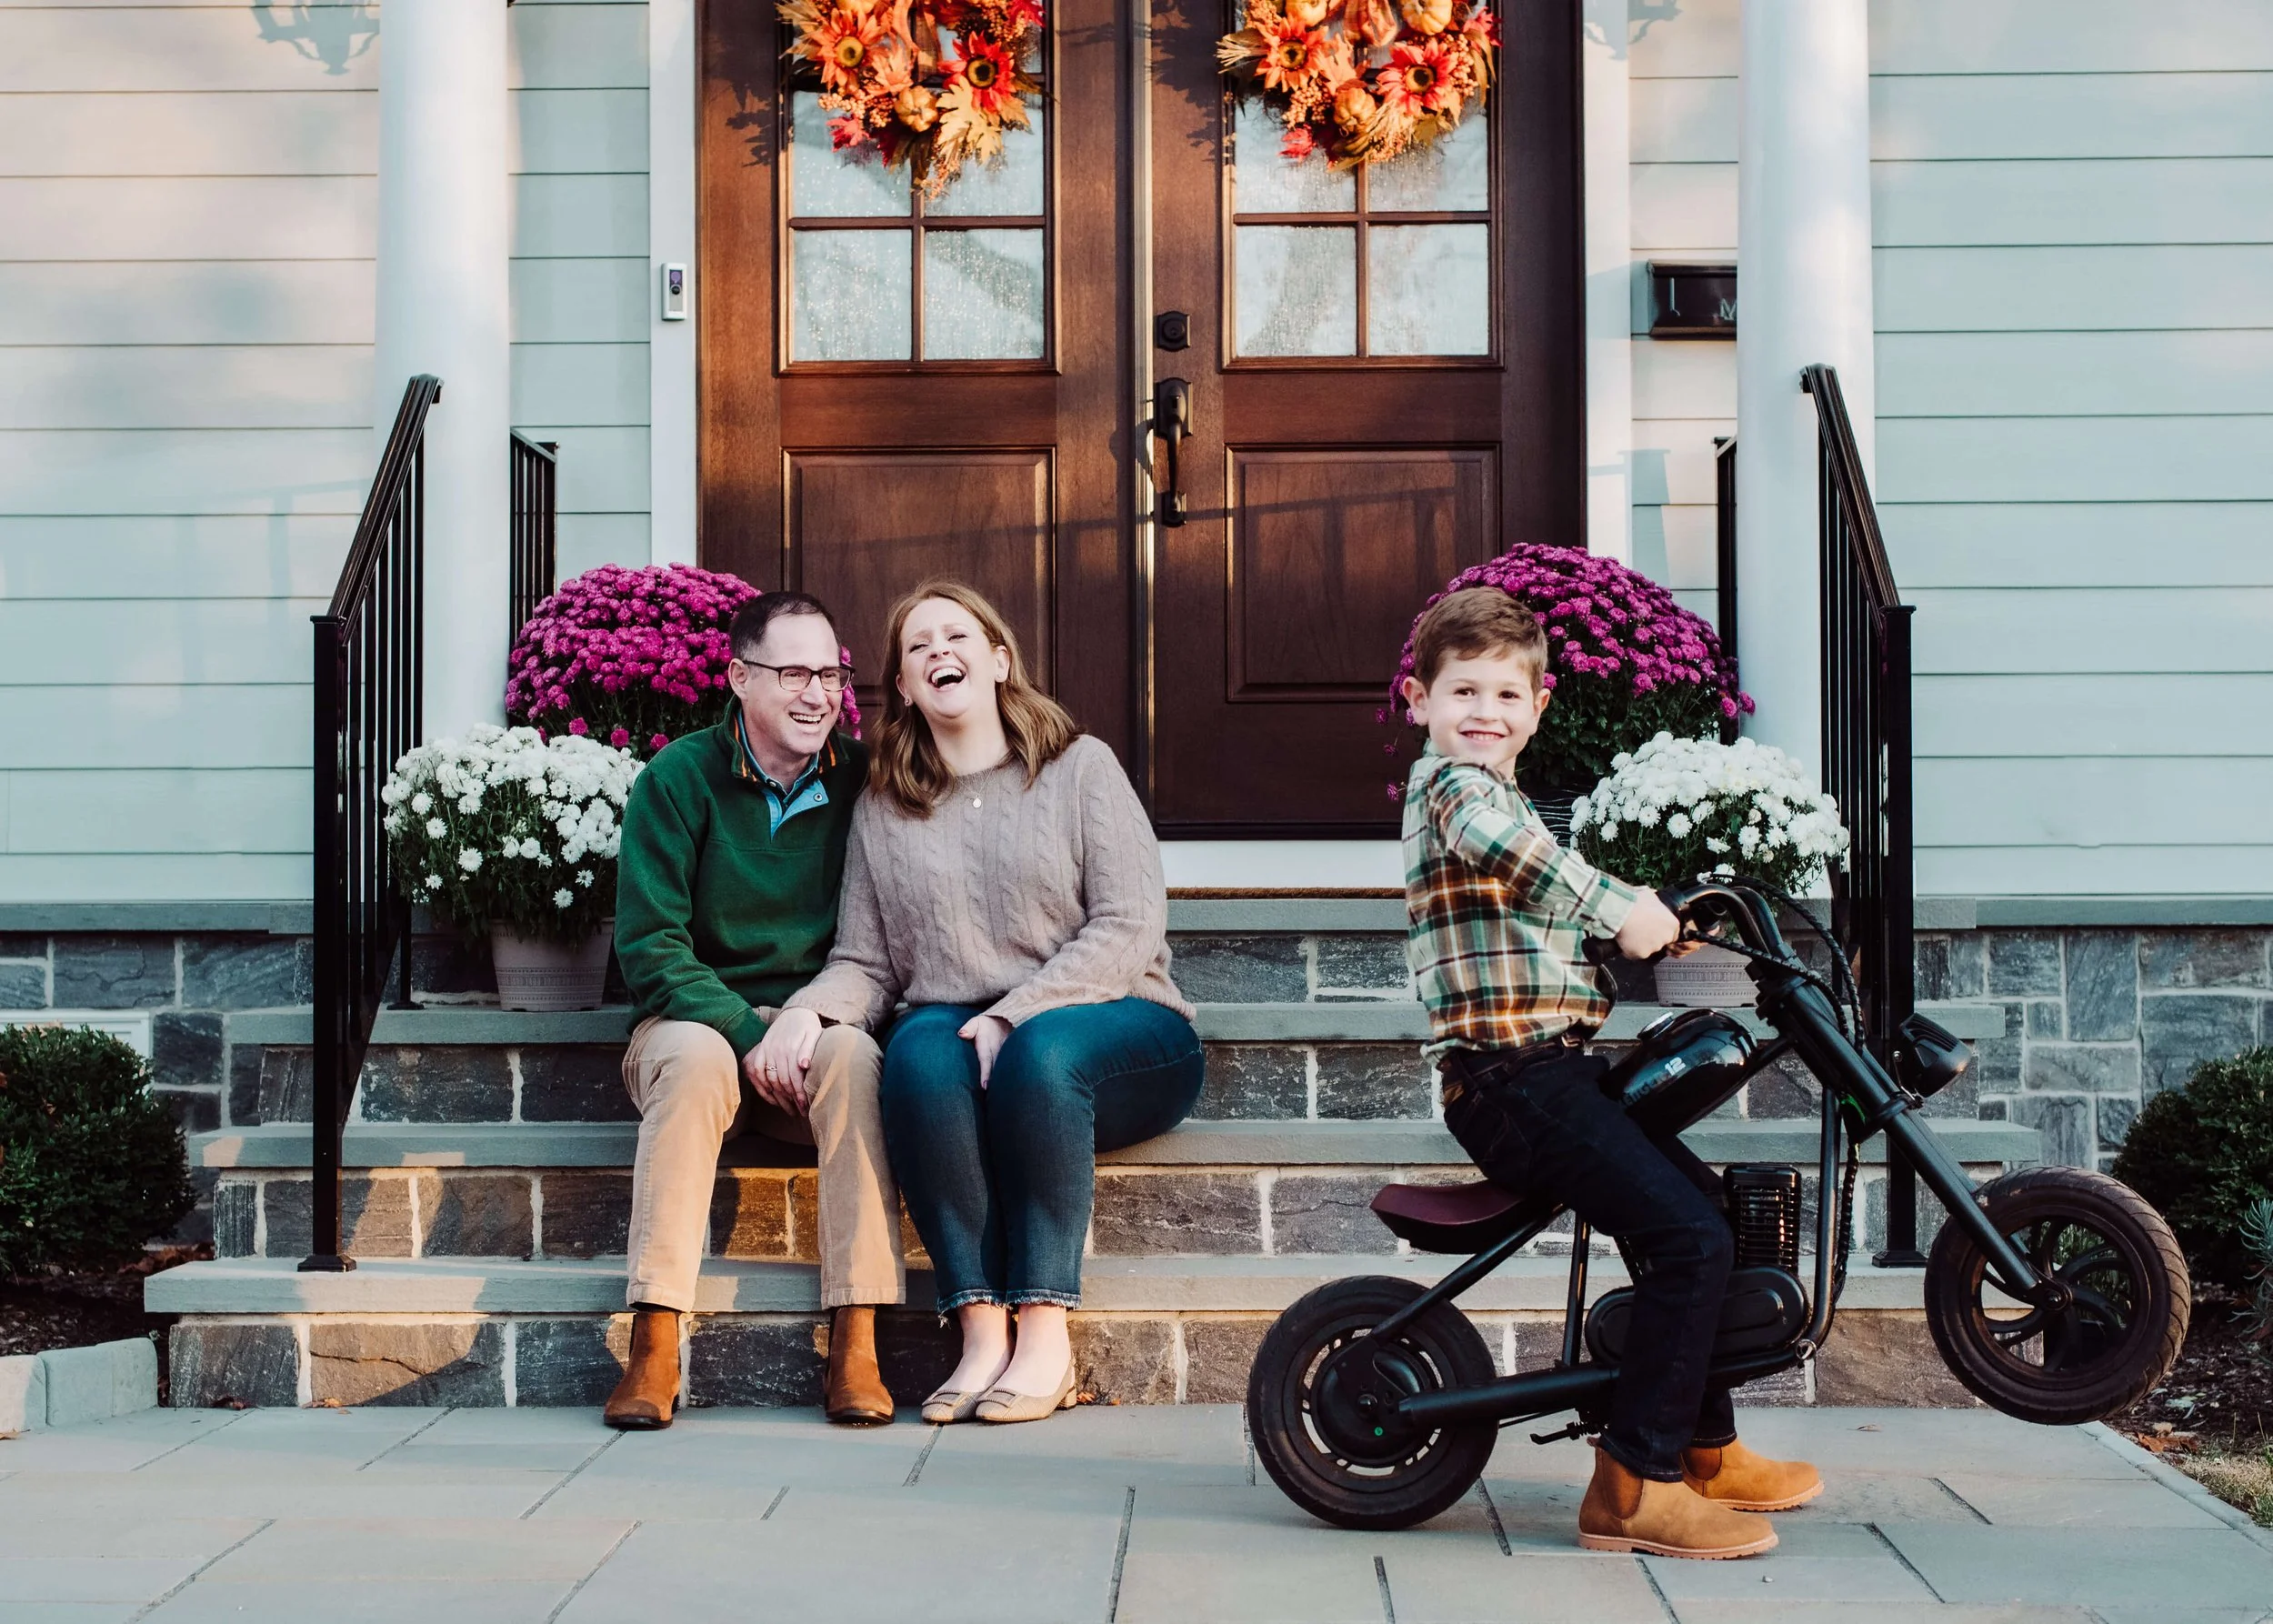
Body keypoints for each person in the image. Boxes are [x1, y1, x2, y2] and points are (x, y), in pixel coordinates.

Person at [1399, 586, 1823, 1559]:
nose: (1484, 713)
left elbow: (1545, 881)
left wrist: (1661, 916)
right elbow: (1533, 866)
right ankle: (1635, 1488)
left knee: (1701, 1218)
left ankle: (1705, 1449)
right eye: (1462, 691)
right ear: (1420, 700)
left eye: (1506, 695)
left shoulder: (1499, 794)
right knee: (1684, 1237)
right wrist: (1621, 908)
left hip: (1551, 1072)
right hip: (1509, 1082)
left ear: (1538, 708)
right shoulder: (1452, 790)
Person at [762, 581, 1204, 1426]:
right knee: (920, 1058)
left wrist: (1018, 1009)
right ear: (903, 683)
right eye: (917, 645)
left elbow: (1130, 923)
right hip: (956, 1027)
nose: (938, 653)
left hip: (1120, 1025)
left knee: (1042, 1054)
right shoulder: (886, 807)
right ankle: (979, 1329)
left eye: (955, 635)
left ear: (999, 660)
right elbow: (868, 960)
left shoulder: (1081, 768)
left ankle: (1044, 1331)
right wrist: (808, 1014)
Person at [606, 590, 902, 1429]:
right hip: (695, 1027)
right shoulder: (678, 779)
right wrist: (746, 1032)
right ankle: (656, 1340)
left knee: (857, 1059)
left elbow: (883, 940)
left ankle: (857, 1339)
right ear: (739, 677)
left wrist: (806, 1020)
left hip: (819, 1027)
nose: (819, 693)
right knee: (699, 1061)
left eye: (832, 672)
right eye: (794, 673)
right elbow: (651, 946)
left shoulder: (865, 783)